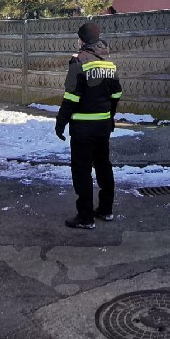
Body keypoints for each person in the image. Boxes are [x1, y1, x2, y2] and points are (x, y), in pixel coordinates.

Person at [55, 21, 122, 229]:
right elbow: (116, 94)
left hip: (83, 129)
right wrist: (109, 117)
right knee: (104, 166)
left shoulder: (78, 61)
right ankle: (106, 209)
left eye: (79, 38)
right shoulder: (108, 64)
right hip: (102, 127)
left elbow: (71, 97)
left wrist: (60, 122)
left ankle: (85, 217)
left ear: (82, 40)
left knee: (82, 171)